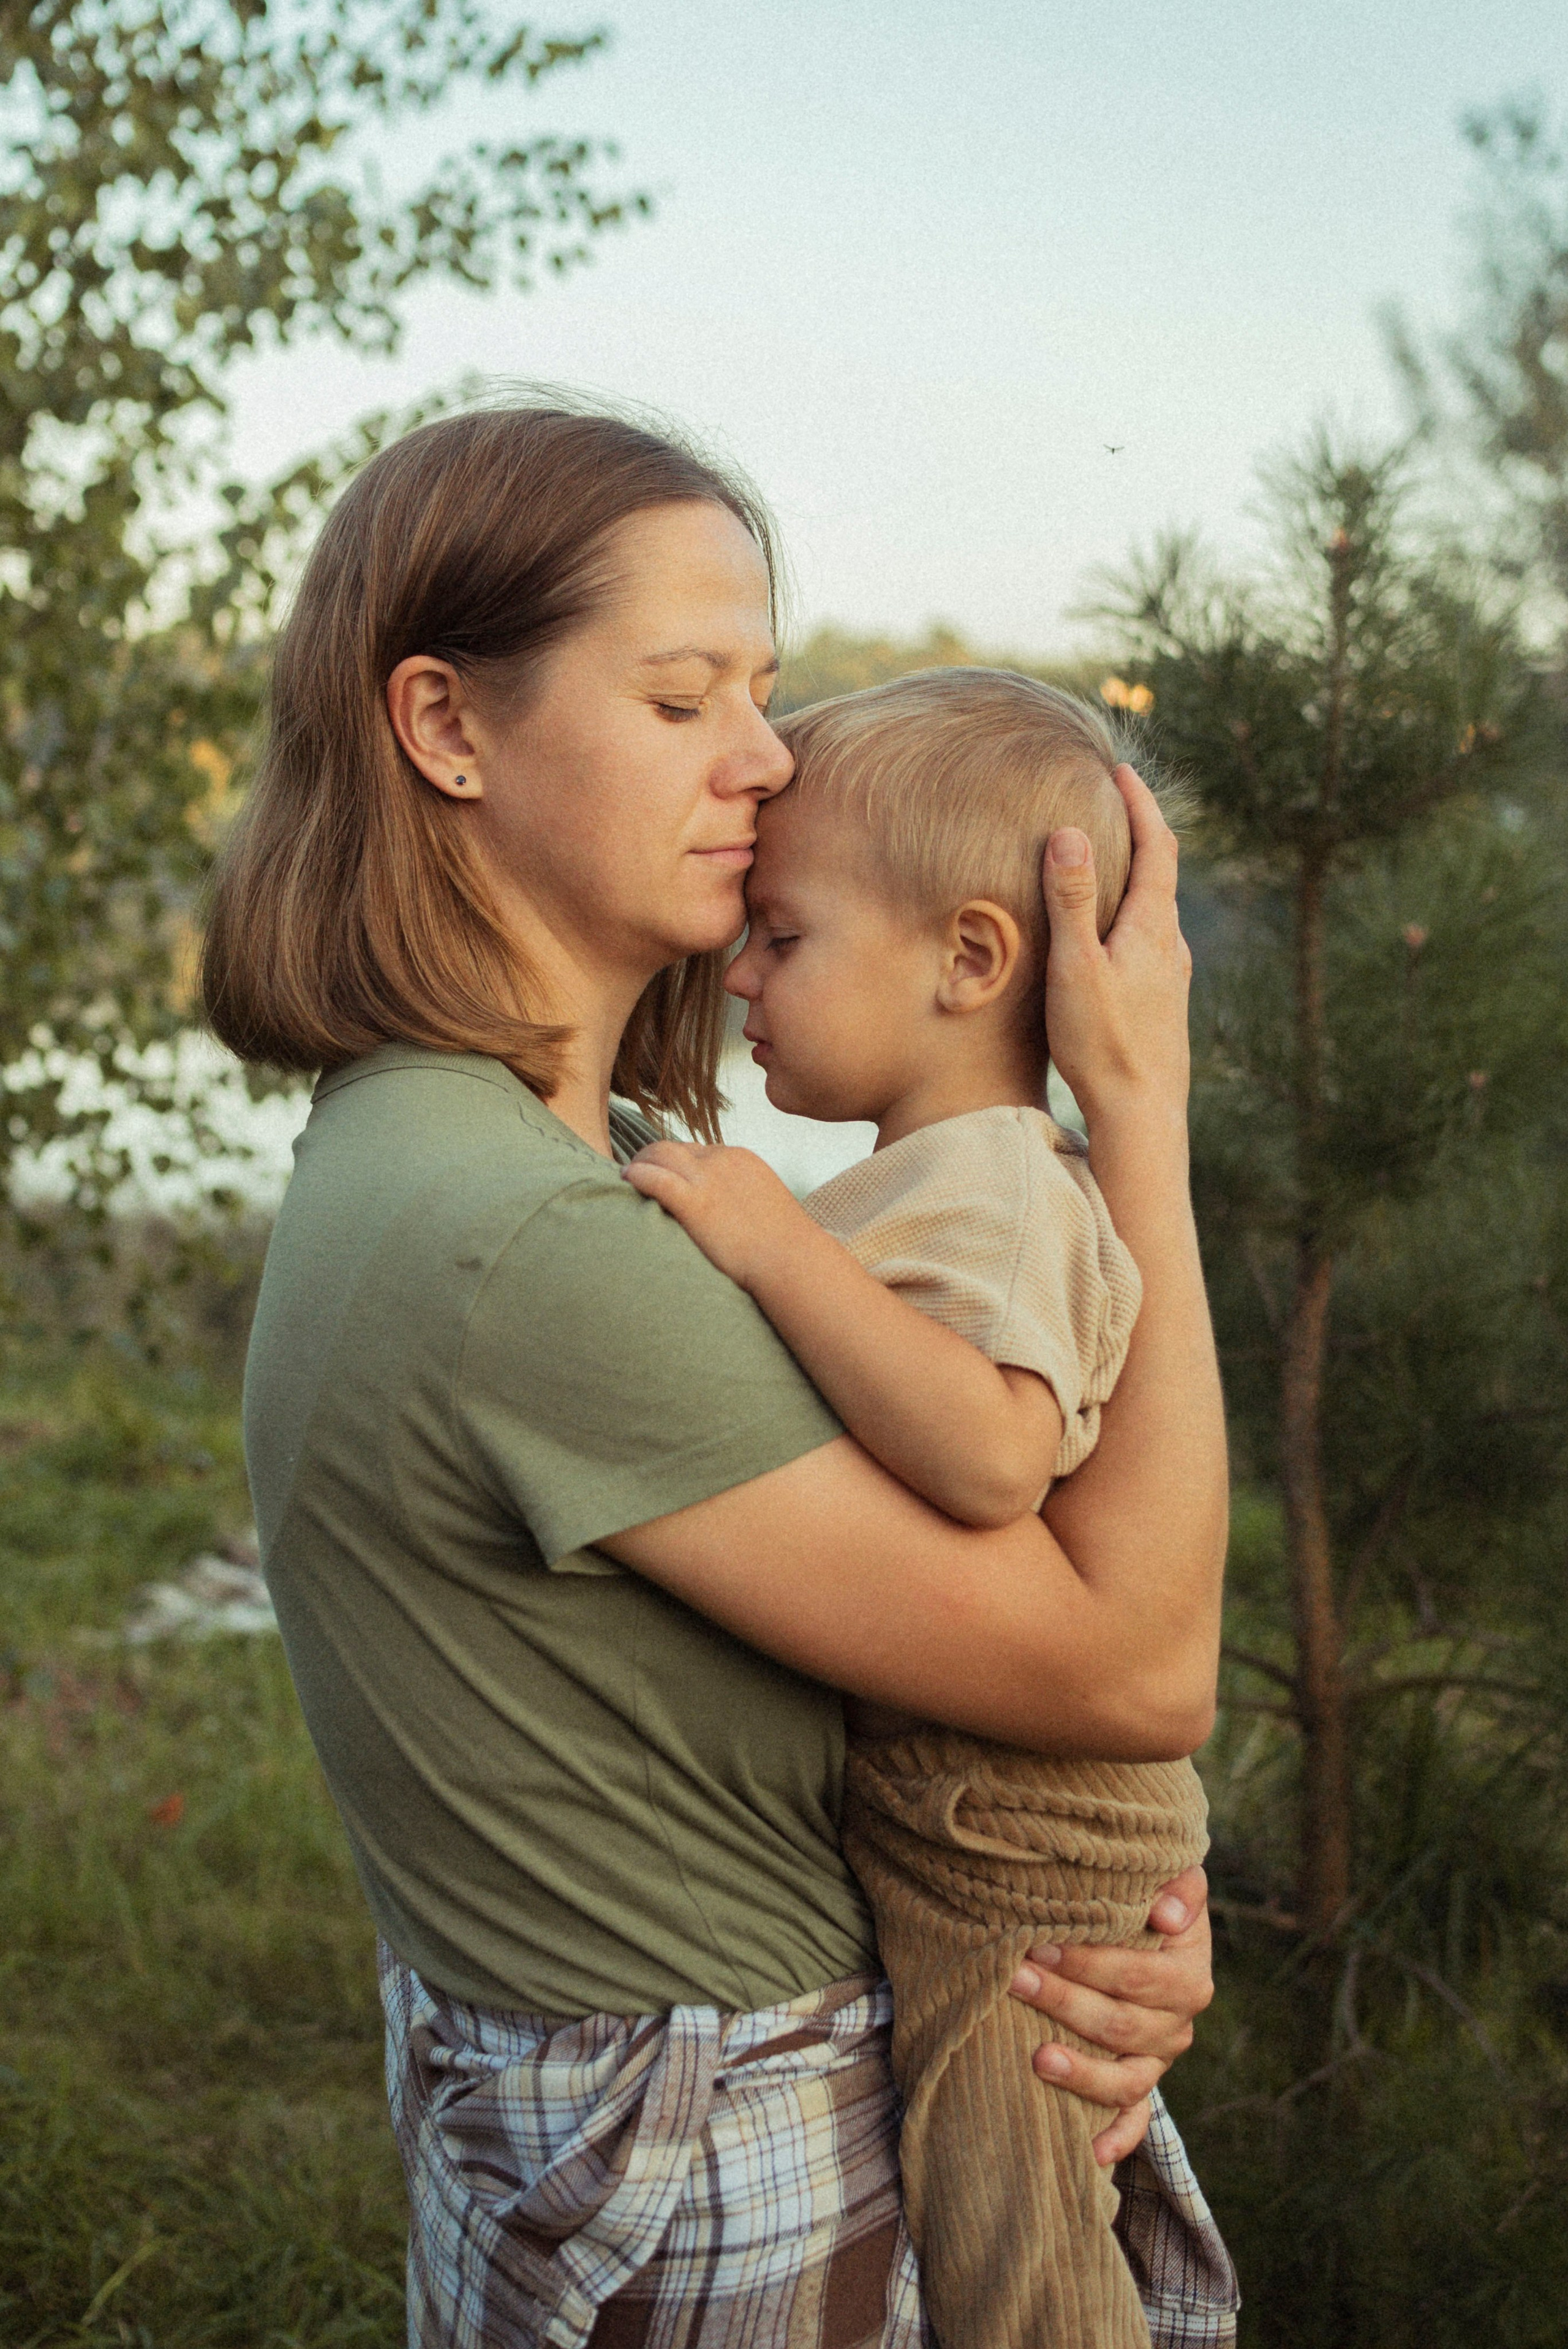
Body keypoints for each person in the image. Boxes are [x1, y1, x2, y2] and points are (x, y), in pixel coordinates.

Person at [201, 399, 1231, 2349]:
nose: (767, 759)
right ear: (446, 727)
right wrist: (1141, 1122)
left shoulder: (482, 1147)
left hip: (626, 2121)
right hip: (715, 2162)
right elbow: (1138, 1665)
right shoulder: (527, 1236)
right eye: (685, 698)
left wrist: (1069, 1931)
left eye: (762, 689)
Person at [624, 668, 1222, 2349]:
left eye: (785, 937)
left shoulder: (996, 1183)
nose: (740, 969)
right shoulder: (951, 1177)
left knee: (1010, 2235)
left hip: (1007, 1823)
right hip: (988, 1799)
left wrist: (768, 1241)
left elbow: (990, 1454)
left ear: (971, 957)